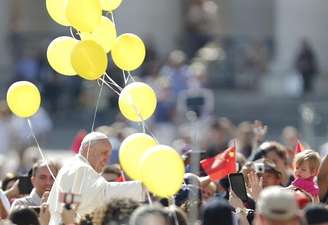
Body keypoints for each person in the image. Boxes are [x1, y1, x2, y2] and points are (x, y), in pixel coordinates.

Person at [47, 132, 145, 225]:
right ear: (89, 149)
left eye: (109, 155)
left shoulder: (76, 166)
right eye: (104, 153)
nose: (107, 159)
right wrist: (142, 187)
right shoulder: (79, 168)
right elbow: (102, 194)